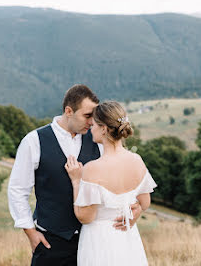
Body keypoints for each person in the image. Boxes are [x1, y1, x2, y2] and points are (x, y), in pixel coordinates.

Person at [8, 85, 144, 266]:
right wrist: (30, 232)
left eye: (94, 118)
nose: (91, 122)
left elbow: (123, 176)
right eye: (87, 116)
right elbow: (17, 190)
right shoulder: (34, 141)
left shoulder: (100, 141)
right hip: (51, 242)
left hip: (94, 242)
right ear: (69, 111)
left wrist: (137, 208)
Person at [65, 101, 157, 266]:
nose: (90, 129)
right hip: (128, 239)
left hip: (99, 242)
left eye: (93, 124)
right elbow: (145, 202)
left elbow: (85, 216)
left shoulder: (92, 169)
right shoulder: (136, 161)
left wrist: (76, 180)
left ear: (103, 129)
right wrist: (132, 211)